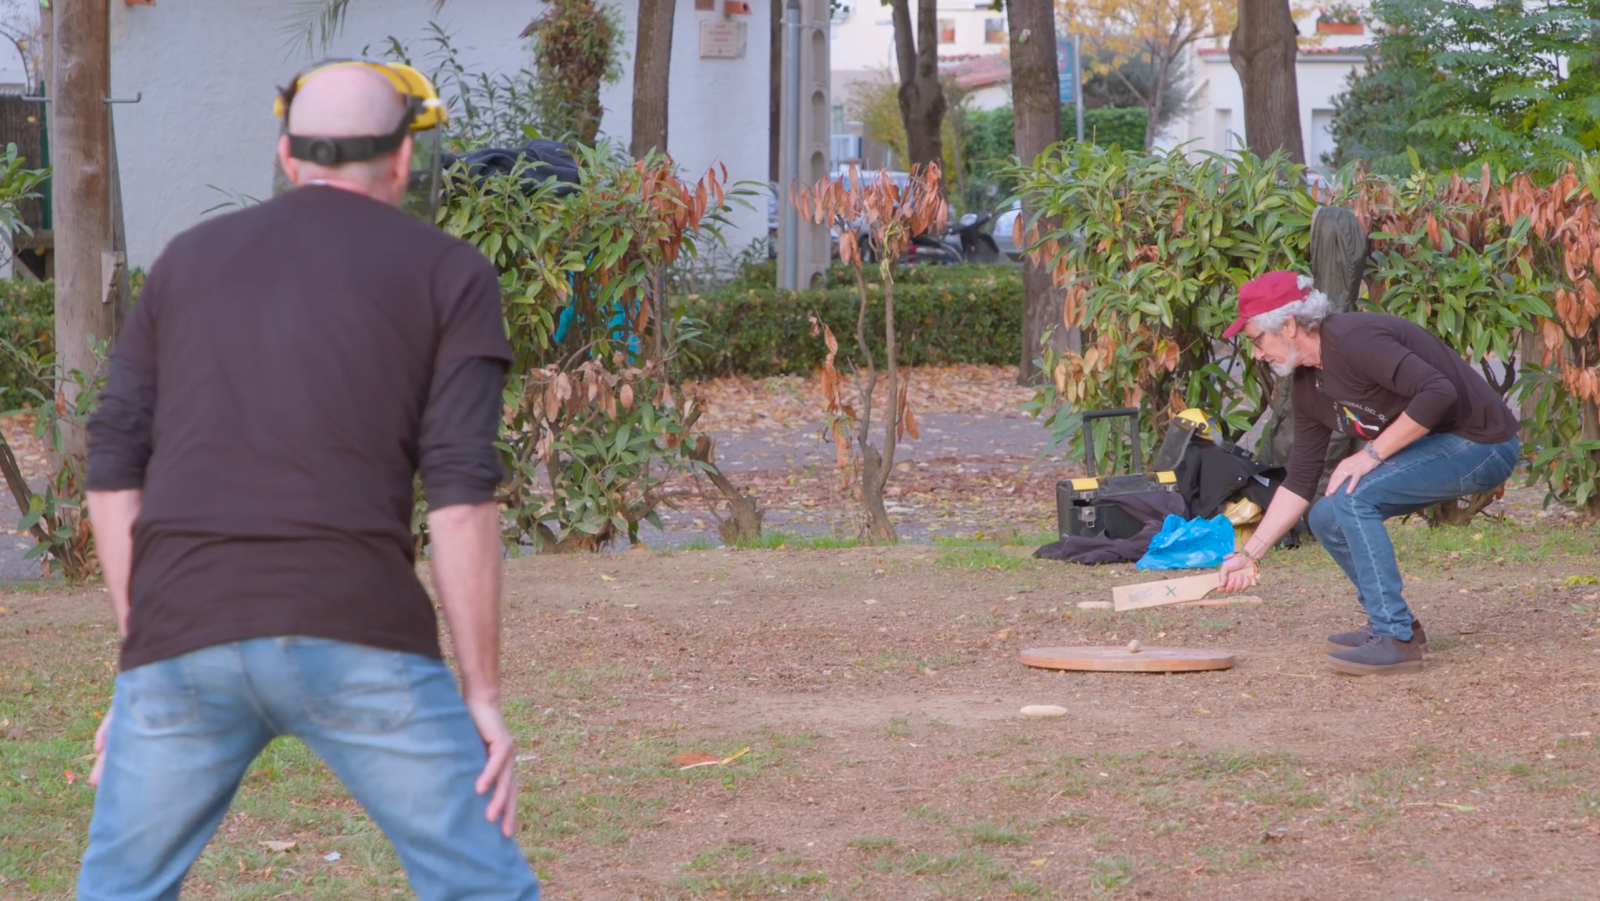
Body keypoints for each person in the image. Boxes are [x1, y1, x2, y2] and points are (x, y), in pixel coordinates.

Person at [76, 62, 540, 900]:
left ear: (287, 155)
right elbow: (462, 499)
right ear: (402, 160)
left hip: (183, 635)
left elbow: (111, 469)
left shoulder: (186, 262)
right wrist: (483, 697)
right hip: (357, 627)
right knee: (484, 888)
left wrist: (142, 656)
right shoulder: (451, 272)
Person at [1216, 270, 1520, 676]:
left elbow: (1438, 391)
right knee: (1325, 515)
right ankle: (1397, 624)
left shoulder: (1355, 339)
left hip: (1482, 445)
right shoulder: (1308, 384)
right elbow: (1301, 480)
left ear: (1288, 325)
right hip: (1439, 450)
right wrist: (1249, 555)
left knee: (1351, 496)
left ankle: (1394, 637)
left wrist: (1372, 454)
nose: (1256, 353)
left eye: (1256, 340)